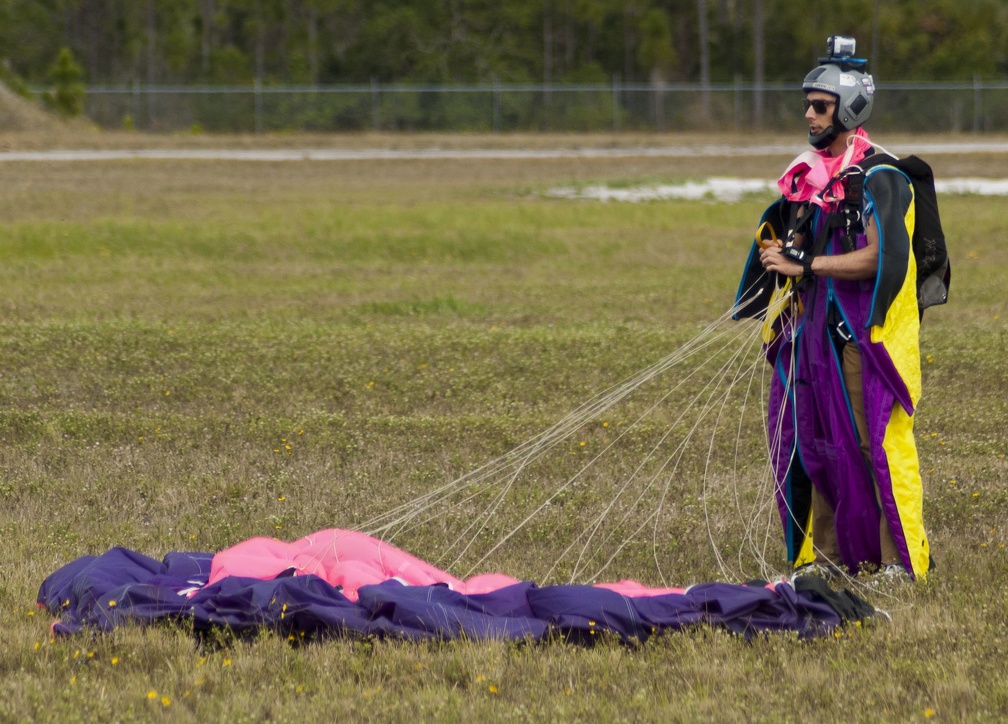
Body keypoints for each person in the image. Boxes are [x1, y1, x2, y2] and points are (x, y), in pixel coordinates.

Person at [737, 36, 931, 582]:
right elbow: (803, 245)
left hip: (862, 334)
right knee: (813, 439)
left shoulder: (880, 175)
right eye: (807, 104)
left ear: (848, 108)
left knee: (873, 442)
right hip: (812, 332)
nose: (808, 114)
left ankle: (897, 558)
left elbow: (881, 256)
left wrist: (811, 266)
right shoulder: (812, 175)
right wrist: (780, 255)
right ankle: (825, 556)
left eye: (819, 105)